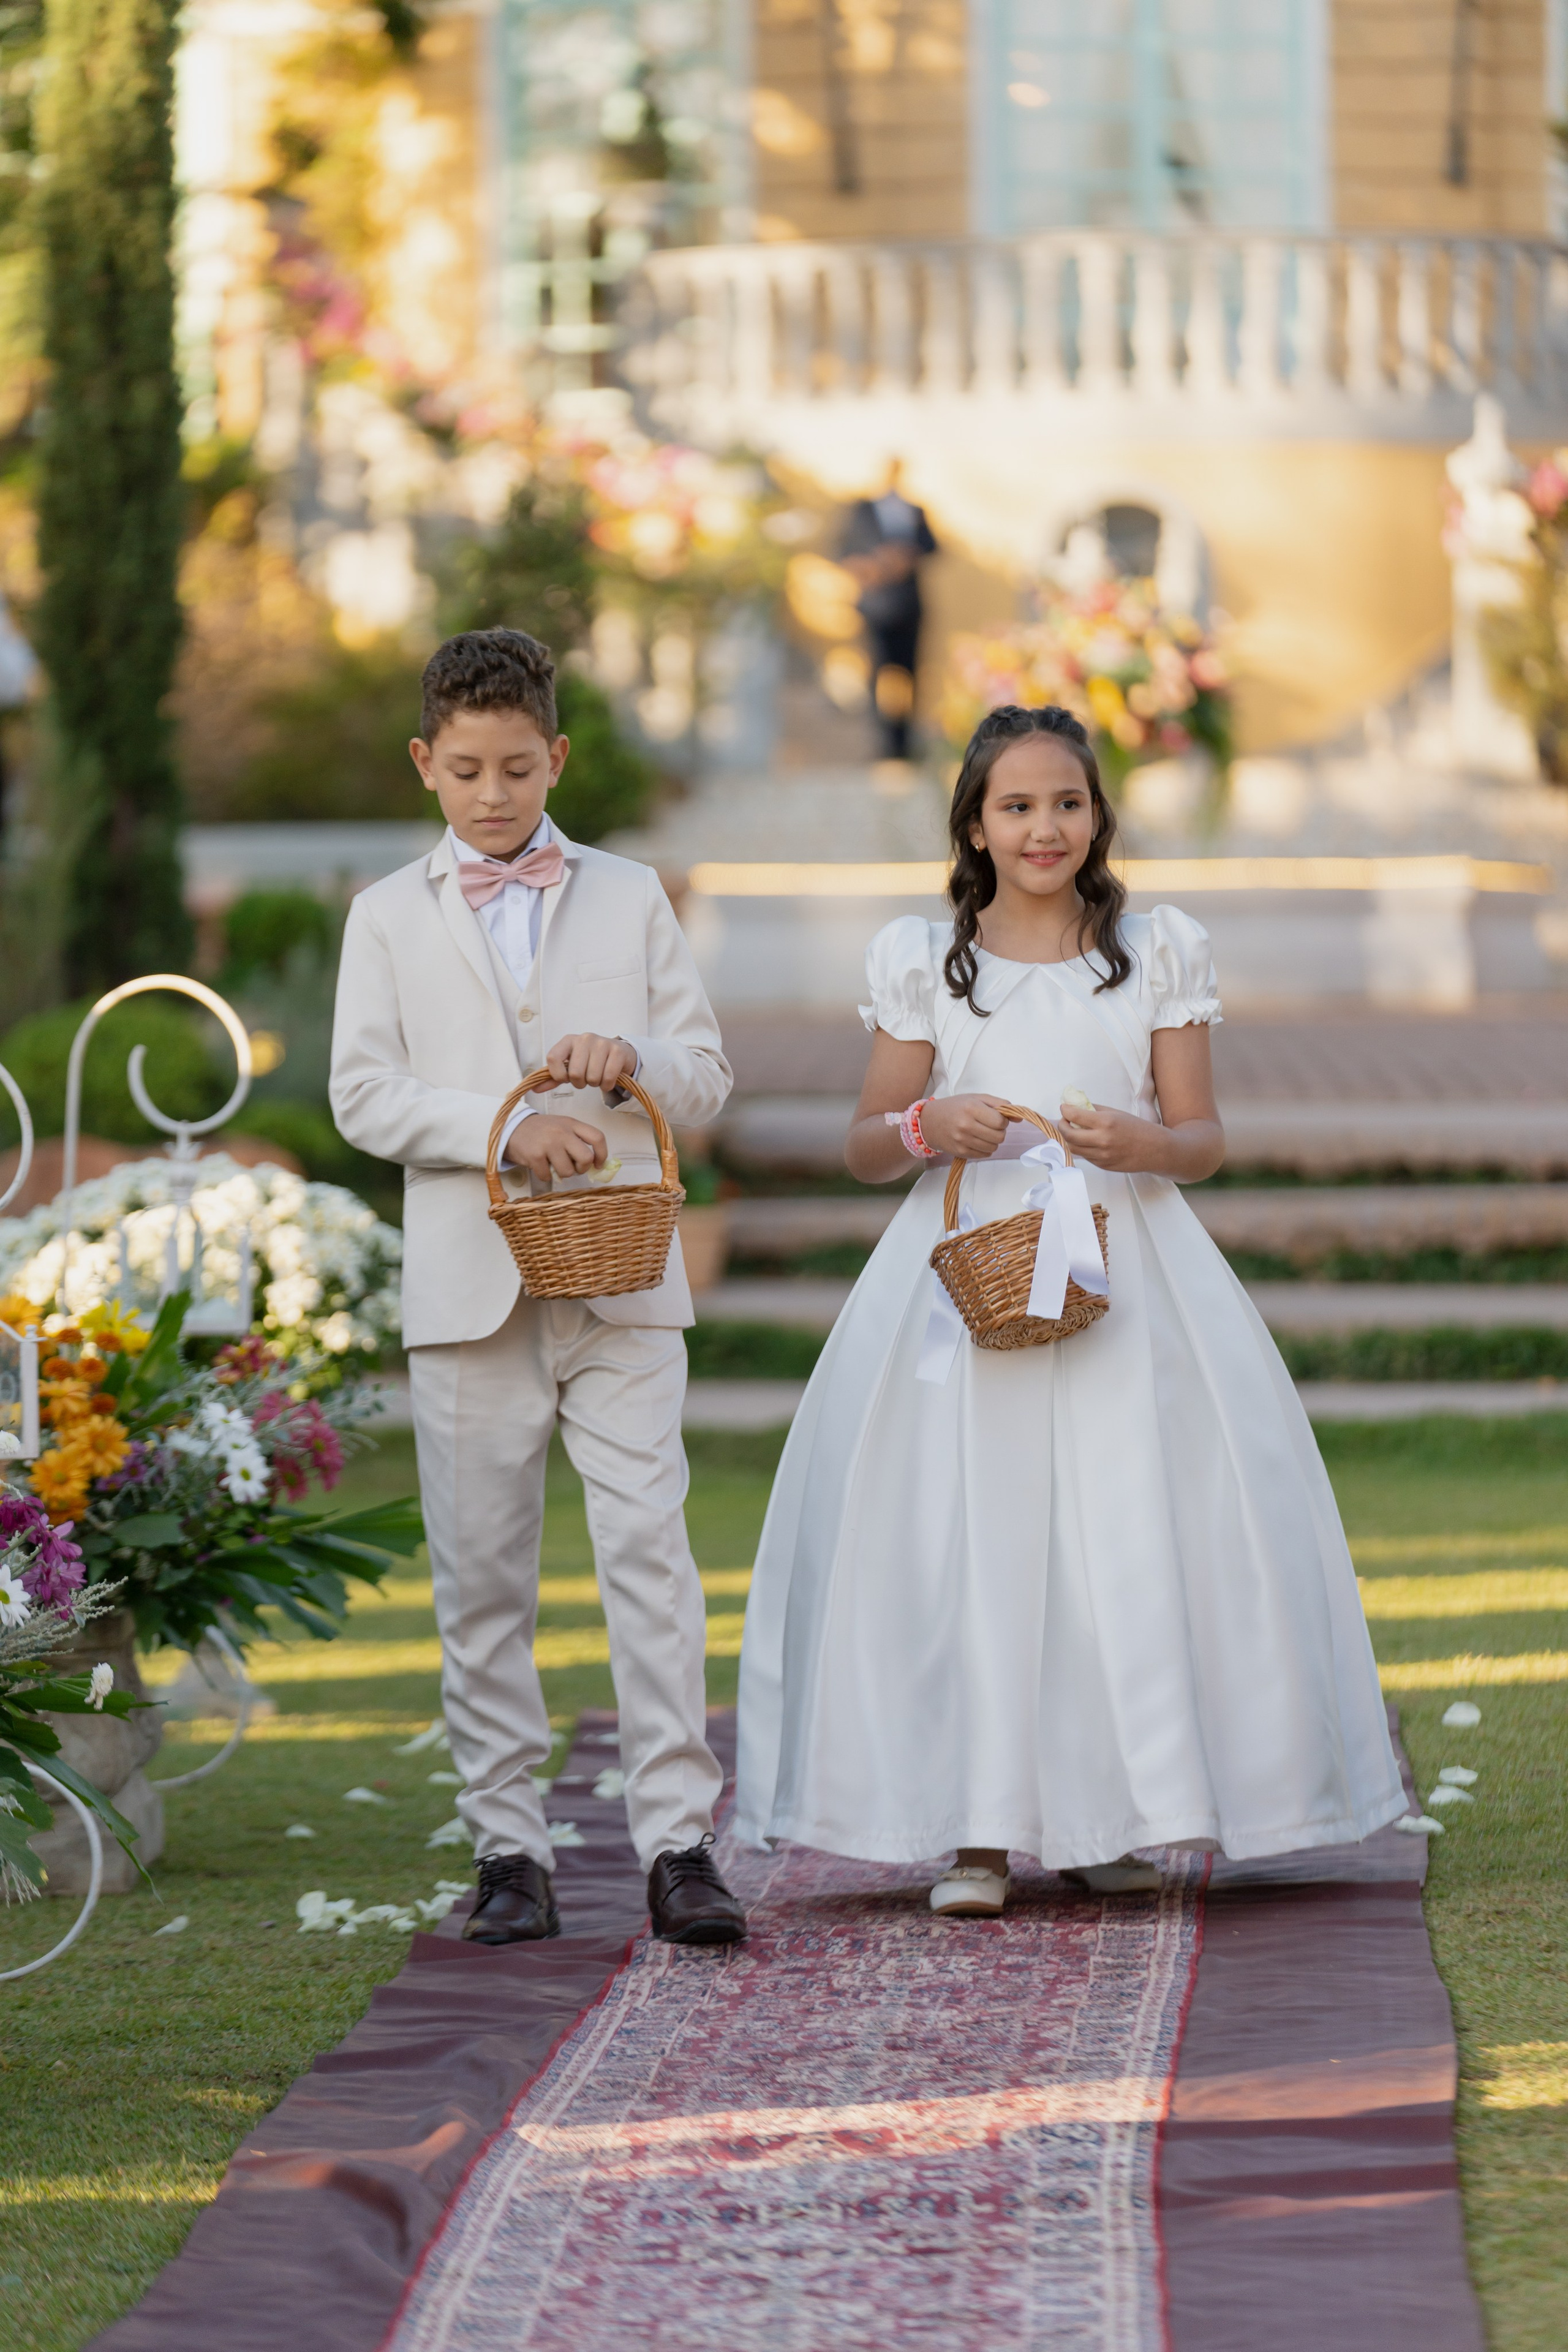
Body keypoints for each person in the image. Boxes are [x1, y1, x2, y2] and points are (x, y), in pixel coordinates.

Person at [735, 703, 1406, 1913]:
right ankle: (977, 1833)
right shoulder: (922, 962)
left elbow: (1200, 1140)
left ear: (1094, 817)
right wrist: (921, 1124)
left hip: (1122, 1269)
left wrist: (1144, 1140)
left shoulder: (1151, 952)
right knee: (976, 1532)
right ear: (975, 826)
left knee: (1126, 1529)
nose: (1042, 826)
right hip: (967, 1277)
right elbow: (861, 1148)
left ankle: (1115, 1814)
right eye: (1015, 805)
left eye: (1064, 802)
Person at [330, 627, 746, 1948]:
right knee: (483, 1577)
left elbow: (705, 1071)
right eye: (467, 770)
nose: (495, 794)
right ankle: (508, 1848)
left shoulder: (628, 896)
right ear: (425, 765)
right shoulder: (385, 915)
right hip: (469, 1295)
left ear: (556, 756)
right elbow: (363, 1095)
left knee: (648, 1555)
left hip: (621, 1277)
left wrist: (628, 1063)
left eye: (518, 767)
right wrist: (502, 1125)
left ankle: (677, 1842)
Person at [839, 461, 938, 763]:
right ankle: (883, 744)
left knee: (910, 673)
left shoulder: (915, 510)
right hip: (876, 607)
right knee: (878, 676)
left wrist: (906, 556)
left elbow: (932, 547)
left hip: (909, 606)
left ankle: (904, 744)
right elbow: (843, 551)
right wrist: (871, 566)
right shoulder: (861, 510)